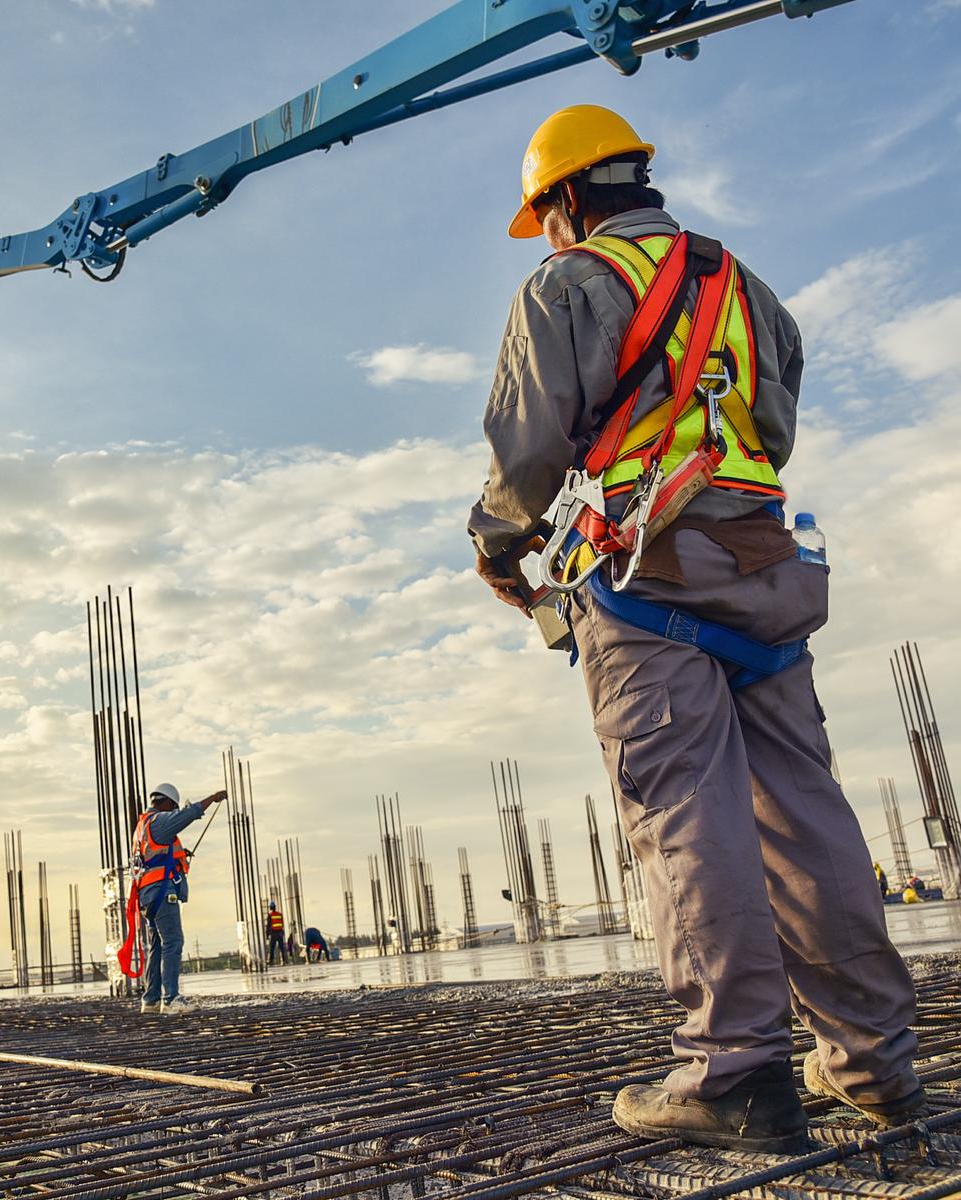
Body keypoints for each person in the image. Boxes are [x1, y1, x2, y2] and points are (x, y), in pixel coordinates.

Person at [469, 105, 923, 1153]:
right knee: (806, 814)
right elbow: (772, 427)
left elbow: (530, 445)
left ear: (569, 197)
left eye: (544, 213)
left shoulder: (568, 284)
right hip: (763, 569)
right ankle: (875, 1065)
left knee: (686, 815)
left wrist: (497, 545)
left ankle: (738, 1072)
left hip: (642, 578)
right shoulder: (748, 290)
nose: (543, 233)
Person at [131, 782, 225, 1015]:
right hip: (161, 892)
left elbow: (155, 855)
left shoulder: (142, 826)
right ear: (166, 803)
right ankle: (171, 998)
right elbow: (187, 815)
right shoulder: (160, 821)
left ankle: (151, 1000)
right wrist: (212, 797)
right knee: (173, 942)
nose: (172, 812)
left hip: (147, 895)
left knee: (157, 945)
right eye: (171, 808)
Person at [265, 901, 288, 965]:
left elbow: (268, 926)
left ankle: (271, 961)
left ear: (270, 908)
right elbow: (282, 924)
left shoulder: (270, 915)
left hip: (274, 933)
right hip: (280, 933)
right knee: (281, 947)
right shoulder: (280, 914)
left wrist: (267, 935)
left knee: (272, 948)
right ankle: (283, 960)